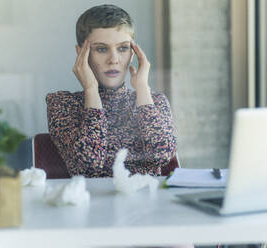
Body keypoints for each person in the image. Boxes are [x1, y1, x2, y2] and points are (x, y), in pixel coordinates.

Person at [46, 4, 177, 178]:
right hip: (90, 203)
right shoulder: (62, 103)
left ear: (132, 54)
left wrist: (142, 89)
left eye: (123, 48)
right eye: (101, 49)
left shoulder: (154, 102)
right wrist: (91, 90)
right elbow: (88, 165)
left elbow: (161, 155)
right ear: (81, 54)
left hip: (145, 202)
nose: (114, 59)